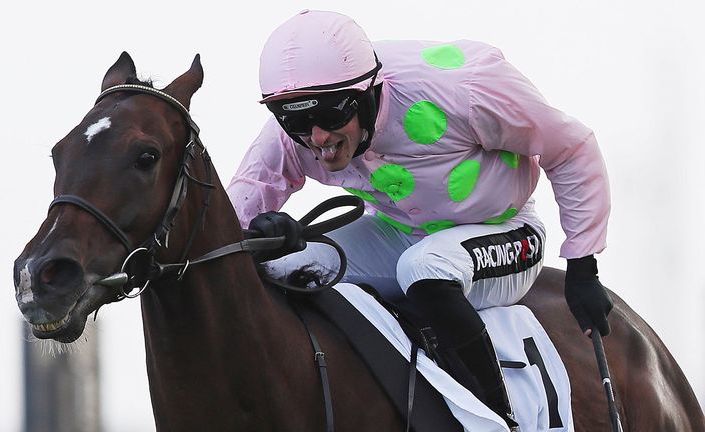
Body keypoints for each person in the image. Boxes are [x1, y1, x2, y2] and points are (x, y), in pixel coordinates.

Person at [226, 9, 613, 430]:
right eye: (296, 119)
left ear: (368, 94)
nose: (317, 137)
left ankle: (500, 419)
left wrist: (583, 263)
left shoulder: (465, 91)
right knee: (284, 266)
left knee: (423, 268)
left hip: (506, 230)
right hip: (397, 232)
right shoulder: (294, 132)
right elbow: (233, 226)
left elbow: (572, 148)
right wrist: (260, 234)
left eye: (332, 115)